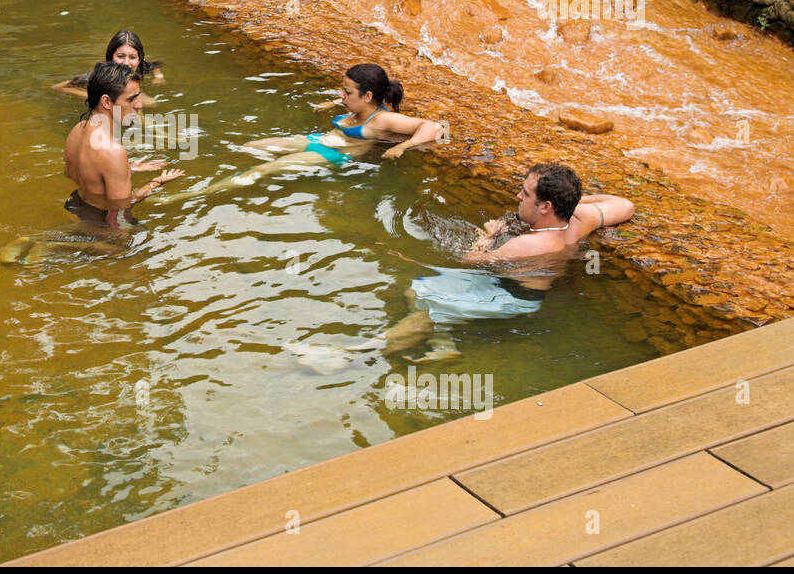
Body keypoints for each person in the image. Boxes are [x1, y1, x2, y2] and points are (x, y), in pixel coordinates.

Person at [382, 163, 635, 362]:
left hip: (509, 298)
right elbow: (625, 205)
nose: (518, 195)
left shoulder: (528, 245)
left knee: (427, 312)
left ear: (545, 207)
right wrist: (569, 202)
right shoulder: (581, 219)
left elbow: (469, 259)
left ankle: (363, 354)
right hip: (512, 285)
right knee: (416, 290)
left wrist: (488, 235)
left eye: (525, 193)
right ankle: (444, 346)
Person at [159, 62, 443, 203]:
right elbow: (350, 105)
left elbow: (435, 127)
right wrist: (333, 103)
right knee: (251, 145)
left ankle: (185, 197)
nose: (340, 95)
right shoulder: (359, 107)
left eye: (345, 92)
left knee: (260, 171)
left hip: (332, 154)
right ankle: (206, 168)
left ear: (368, 96)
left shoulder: (384, 121)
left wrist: (403, 147)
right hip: (316, 140)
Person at [2, 62, 183, 263]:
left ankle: (41, 241)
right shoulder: (113, 152)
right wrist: (156, 183)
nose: (139, 105)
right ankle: (50, 246)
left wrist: (127, 169)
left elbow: (71, 173)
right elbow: (119, 212)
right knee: (129, 250)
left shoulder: (78, 129)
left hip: (76, 205)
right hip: (102, 222)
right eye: (132, 99)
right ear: (106, 102)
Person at [52, 30, 165, 106]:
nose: (126, 63)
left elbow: (155, 65)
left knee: (151, 103)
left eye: (132, 57)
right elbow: (58, 87)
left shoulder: (138, 68)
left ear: (139, 59)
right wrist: (92, 96)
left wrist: (158, 76)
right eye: (120, 56)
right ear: (110, 57)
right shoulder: (97, 76)